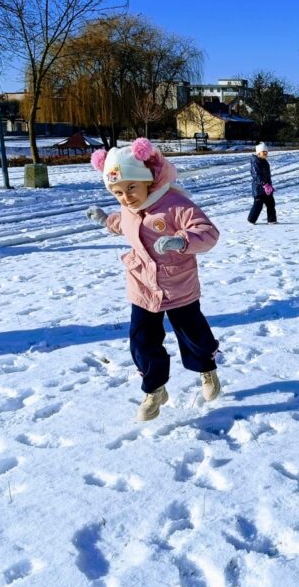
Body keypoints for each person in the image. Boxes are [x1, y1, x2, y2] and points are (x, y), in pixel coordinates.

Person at [85, 138, 221, 421]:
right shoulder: (128, 206)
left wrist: (180, 242)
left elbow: (208, 233)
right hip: (143, 286)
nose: (126, 197)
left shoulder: (174, 204)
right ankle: (155, 388)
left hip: (178, 284)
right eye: (117, 192)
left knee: (192, 334)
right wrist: (105, 220)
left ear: (146, 180)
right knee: (141, 340)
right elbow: (126, 222)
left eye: (131, 188)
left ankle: (207, 370)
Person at [248, 142, 277, 224]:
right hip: (259, 188)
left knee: (271, 203)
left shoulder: (265, 162)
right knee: (258, 204)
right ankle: (251, 219)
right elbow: (256, 175)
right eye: (263, 151)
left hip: (267, 188)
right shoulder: (255, 162)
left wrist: (269, 185)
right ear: (258, 152)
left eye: (266, 151)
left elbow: (267, 175)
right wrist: (264, 184)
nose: (265, 153)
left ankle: (272, 220)